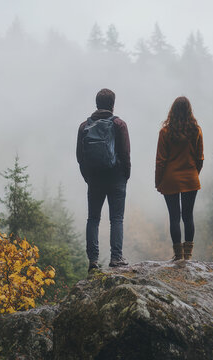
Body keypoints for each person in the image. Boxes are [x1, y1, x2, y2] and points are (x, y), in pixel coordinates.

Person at [77, 88, 131, 271]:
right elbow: (125, 153)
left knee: (93, 218)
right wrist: (125, 175)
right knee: (116, 219)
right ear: (113, 105)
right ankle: (116, 258)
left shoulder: (84, 126)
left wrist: (88, 176)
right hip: (116, 177)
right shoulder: (119, 124)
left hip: (94, 178)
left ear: (97, 103)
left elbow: (79, 156)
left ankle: (93, 261)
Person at [155, 96, 204, 261]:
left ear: (172, 111)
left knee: (174, 217)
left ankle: (178, 256)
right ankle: (188, 255)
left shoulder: (165, 132)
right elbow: (200, 158)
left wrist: (158, 181)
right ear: (189, 111)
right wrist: (194, 173)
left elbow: (160, 160)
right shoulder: (196, 130)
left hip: (170, 180)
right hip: (190, 178)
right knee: (188, 216)